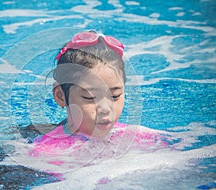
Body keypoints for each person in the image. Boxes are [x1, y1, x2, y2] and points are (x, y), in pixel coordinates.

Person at [29, 31, 168, 159]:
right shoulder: (46, 151)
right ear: (61, 96)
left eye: (115, 96)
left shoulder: (140, 136)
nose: (106, 108)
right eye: (90, 98)